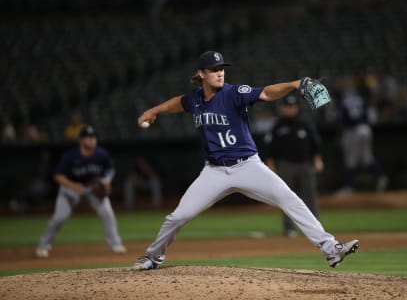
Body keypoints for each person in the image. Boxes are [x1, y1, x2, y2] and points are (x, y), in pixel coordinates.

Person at [131, 51, 359, 270]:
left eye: (222, 68)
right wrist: (154, 111)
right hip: (214, 172)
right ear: (201, 74)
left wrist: (294, 84)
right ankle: (153, 257)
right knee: (179, 216)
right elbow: (178, 102)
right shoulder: (195, 100)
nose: (220, 73)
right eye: (214, 69)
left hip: (248, 166)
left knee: (289, 198)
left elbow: (267, 93)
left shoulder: (234, 93)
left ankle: (331, 248)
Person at [36, 125, 126, 258]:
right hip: (70, 190)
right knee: (59, 217)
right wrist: (73, 185)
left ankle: (115, 244)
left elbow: (110, 169)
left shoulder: (101, 154)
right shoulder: (71, 156)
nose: (91, 140)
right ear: (81, 140)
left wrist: (106, 180)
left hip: (93, 190)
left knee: (108, 213)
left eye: (93, 137)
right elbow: (58, 176)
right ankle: (43, 246)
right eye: (87, 138)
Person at [264, 94, 324, 237]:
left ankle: (314, 229)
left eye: (292, 107)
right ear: (283, 108)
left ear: (296, 107)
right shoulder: (278, 125)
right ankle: (289, 228)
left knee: (309, 196)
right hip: (286, 166)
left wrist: (317, 160)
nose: (290, 109)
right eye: (287, 107)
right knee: (286, 197)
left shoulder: (305, 123)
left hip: (305, 164)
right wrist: (271, 164)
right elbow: (270, 147)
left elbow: (315, 144)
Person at [336, 84, 388, 194]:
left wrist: (339, 135)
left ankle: (349, 186)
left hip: (352, 131)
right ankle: (380, 177)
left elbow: (342, 122)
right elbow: (370, 117)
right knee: (366, 157)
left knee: (350, 160)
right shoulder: (361, 100)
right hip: (365, 129)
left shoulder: (343, 102)